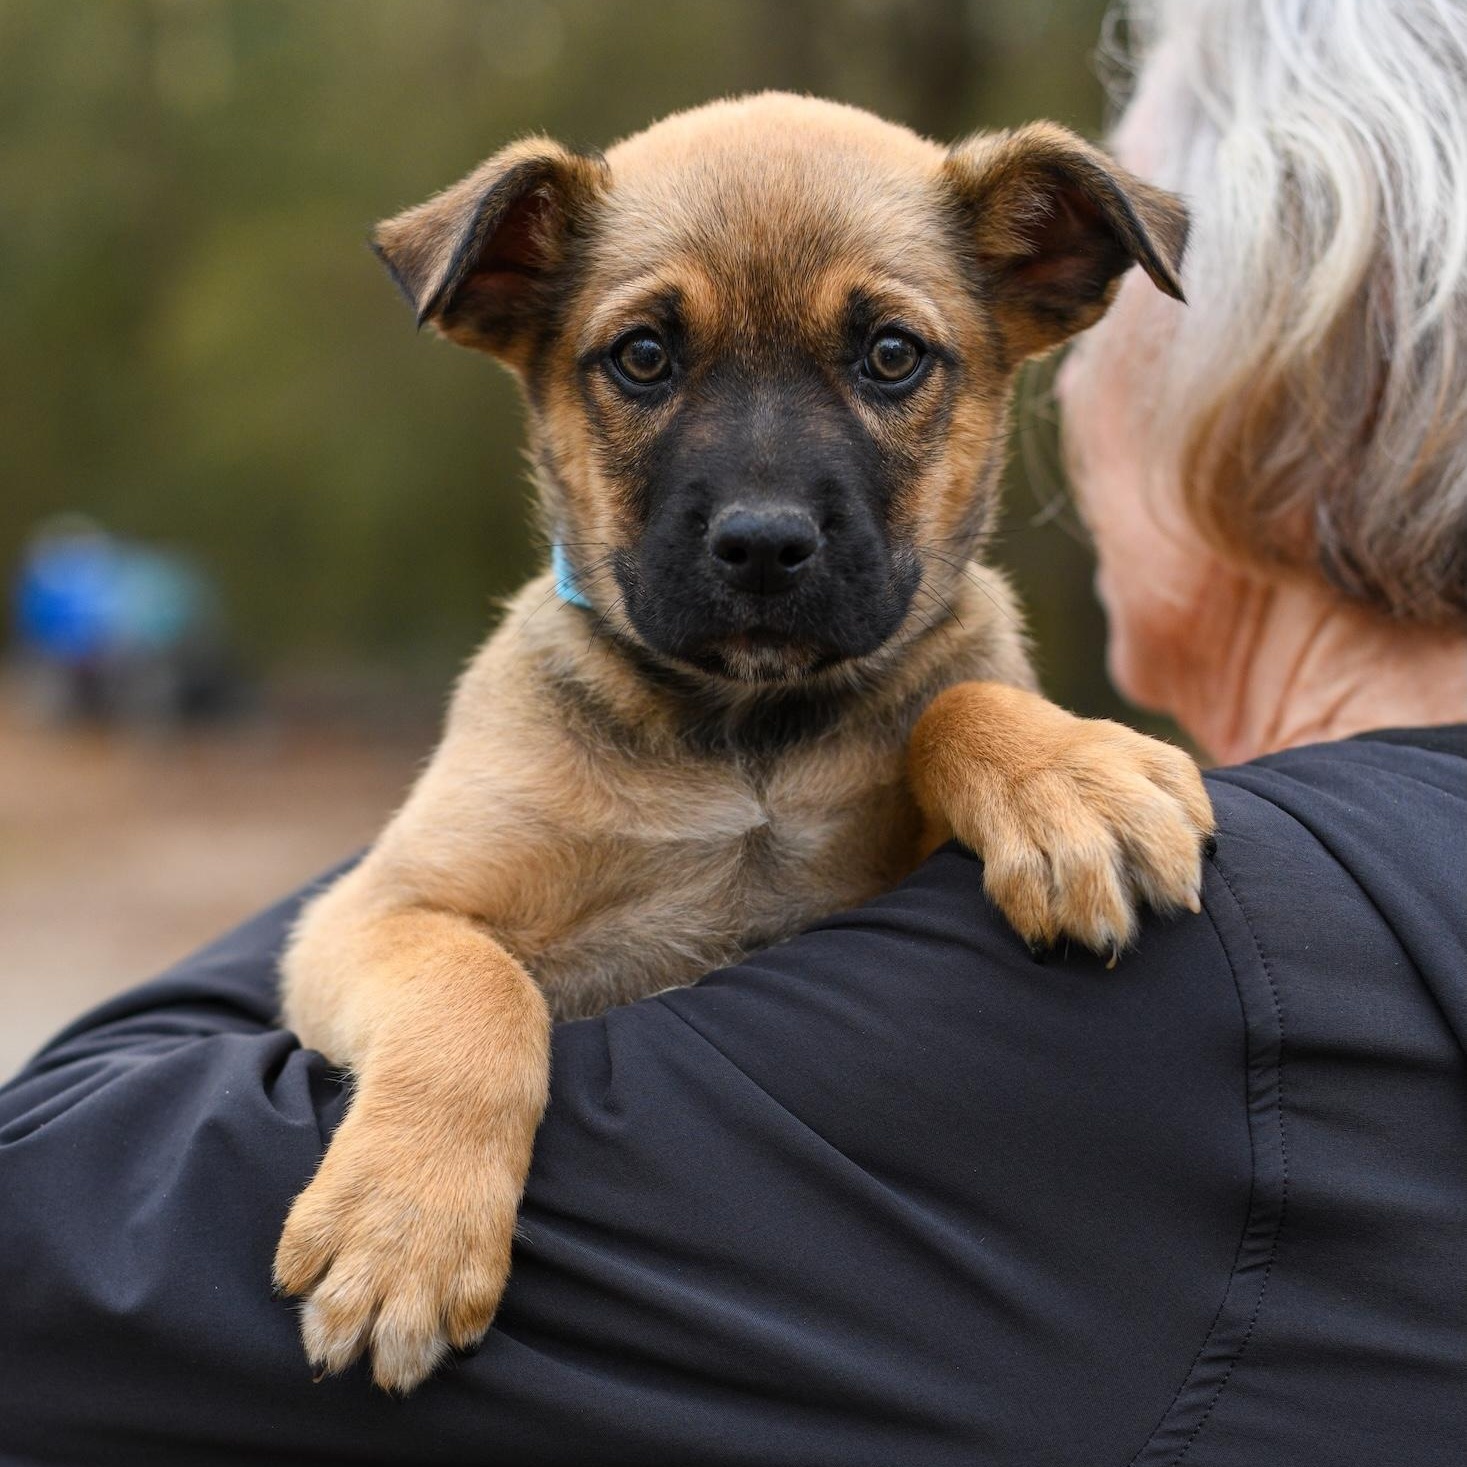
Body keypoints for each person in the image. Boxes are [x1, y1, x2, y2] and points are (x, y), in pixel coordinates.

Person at [1, 1, 1463, 1461]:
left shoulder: (990, 717)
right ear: (504, 301)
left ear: (1046, 299)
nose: (764, 503)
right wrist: (461, 1036)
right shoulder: (529, 714)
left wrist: (986, 745)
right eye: (649, 361)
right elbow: (359, 940)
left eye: (886, 360)